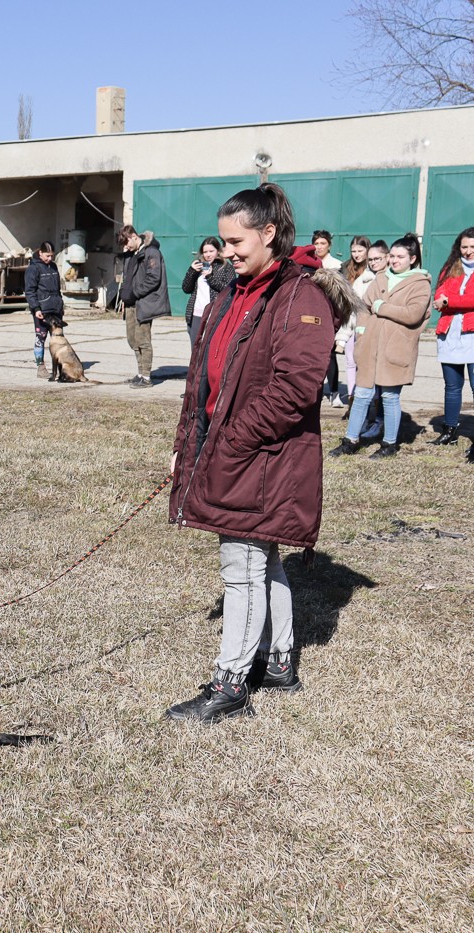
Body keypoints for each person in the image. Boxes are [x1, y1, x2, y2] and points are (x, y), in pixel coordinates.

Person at [166, 183, 356, 723]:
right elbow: (205, 379)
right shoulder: (237, 289)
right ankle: (277, 663)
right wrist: (188, 445)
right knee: (262, 559)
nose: (225, 251)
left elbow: (295, 388)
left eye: (235, 241)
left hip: (262, 457)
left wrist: (232, 441)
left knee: (242, 567)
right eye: (222, 241)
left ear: (269, 233)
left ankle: (230, 685)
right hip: (228, 447)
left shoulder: (301, 297)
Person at [331, 233, 433, 459]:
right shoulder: (380, 279)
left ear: (412, 259)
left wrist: (381, 307)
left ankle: (389, 444)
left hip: (396, 347)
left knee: (389, 396)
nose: (394, 260)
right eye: (392, 256)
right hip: (370, 346)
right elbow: (364, 307)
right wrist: (362, 331)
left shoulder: (420, 284)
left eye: (400, 257)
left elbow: (413, 314)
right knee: (361, 394)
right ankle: (350, 440)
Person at [430, 226, 474, 460]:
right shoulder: (450, 268)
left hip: (472, 335)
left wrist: (450, 302)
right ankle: (450, 430)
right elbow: (439, 295)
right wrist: (444, 300)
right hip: (450, 334)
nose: (468, 251)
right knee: (452, 386)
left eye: (472, 247)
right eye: (464, 246)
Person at [116, 224, 171, 387]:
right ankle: (140, 373)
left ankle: (146, 377)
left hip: (143, 303)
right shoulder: (132, 254)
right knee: (132, 340)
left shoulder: (151, 252)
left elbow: (153, 278)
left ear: (134, 236)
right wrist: (124, 296)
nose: (126, 247)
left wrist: (135, 293)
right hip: (130, 304)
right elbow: (128, 278)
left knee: (143, 340)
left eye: (127, 243)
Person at [336, 237, 377, 405]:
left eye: (360, 250)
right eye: (353, 251)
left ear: (368, 250)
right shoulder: (346, 269)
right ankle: (352, 397)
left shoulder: (373, 269)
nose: (356, 254)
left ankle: (372, 399)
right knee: (350, 361)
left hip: (367, 320)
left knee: (366, 362)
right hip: (350, 320)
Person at [181, 235, 236, 344]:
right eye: (205, 252)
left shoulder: (225, 267)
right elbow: (186, 288)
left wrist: (210, 277)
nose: (208, 255)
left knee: (211, 347)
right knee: (196, 348)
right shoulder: (198, 267)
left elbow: (230, 291)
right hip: (197, 314)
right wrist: (192, 271)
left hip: (215, 314)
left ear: (218, 251)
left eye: (211, 251)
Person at [313, 231, 345, 406]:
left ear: (329, 245)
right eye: (316, 243)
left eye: (322, 243)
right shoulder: (309, 264)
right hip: (313, 313)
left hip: (330, 313)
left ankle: (334, 392)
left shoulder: (336, 266)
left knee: (330, 355)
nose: (319, 247)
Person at [24, 240, 65, 379]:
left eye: (52, 255)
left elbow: (57, 288)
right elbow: (30, 291)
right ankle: (40, 367)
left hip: (56, 309)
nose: (50, 258)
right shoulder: (33, 268)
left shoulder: (53, 266)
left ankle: (60, 367)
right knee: (40, 337)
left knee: (58, 338)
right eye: (47, 255)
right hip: (42, 310)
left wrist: (60, 305)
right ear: (40, 253)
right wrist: (36, 308)